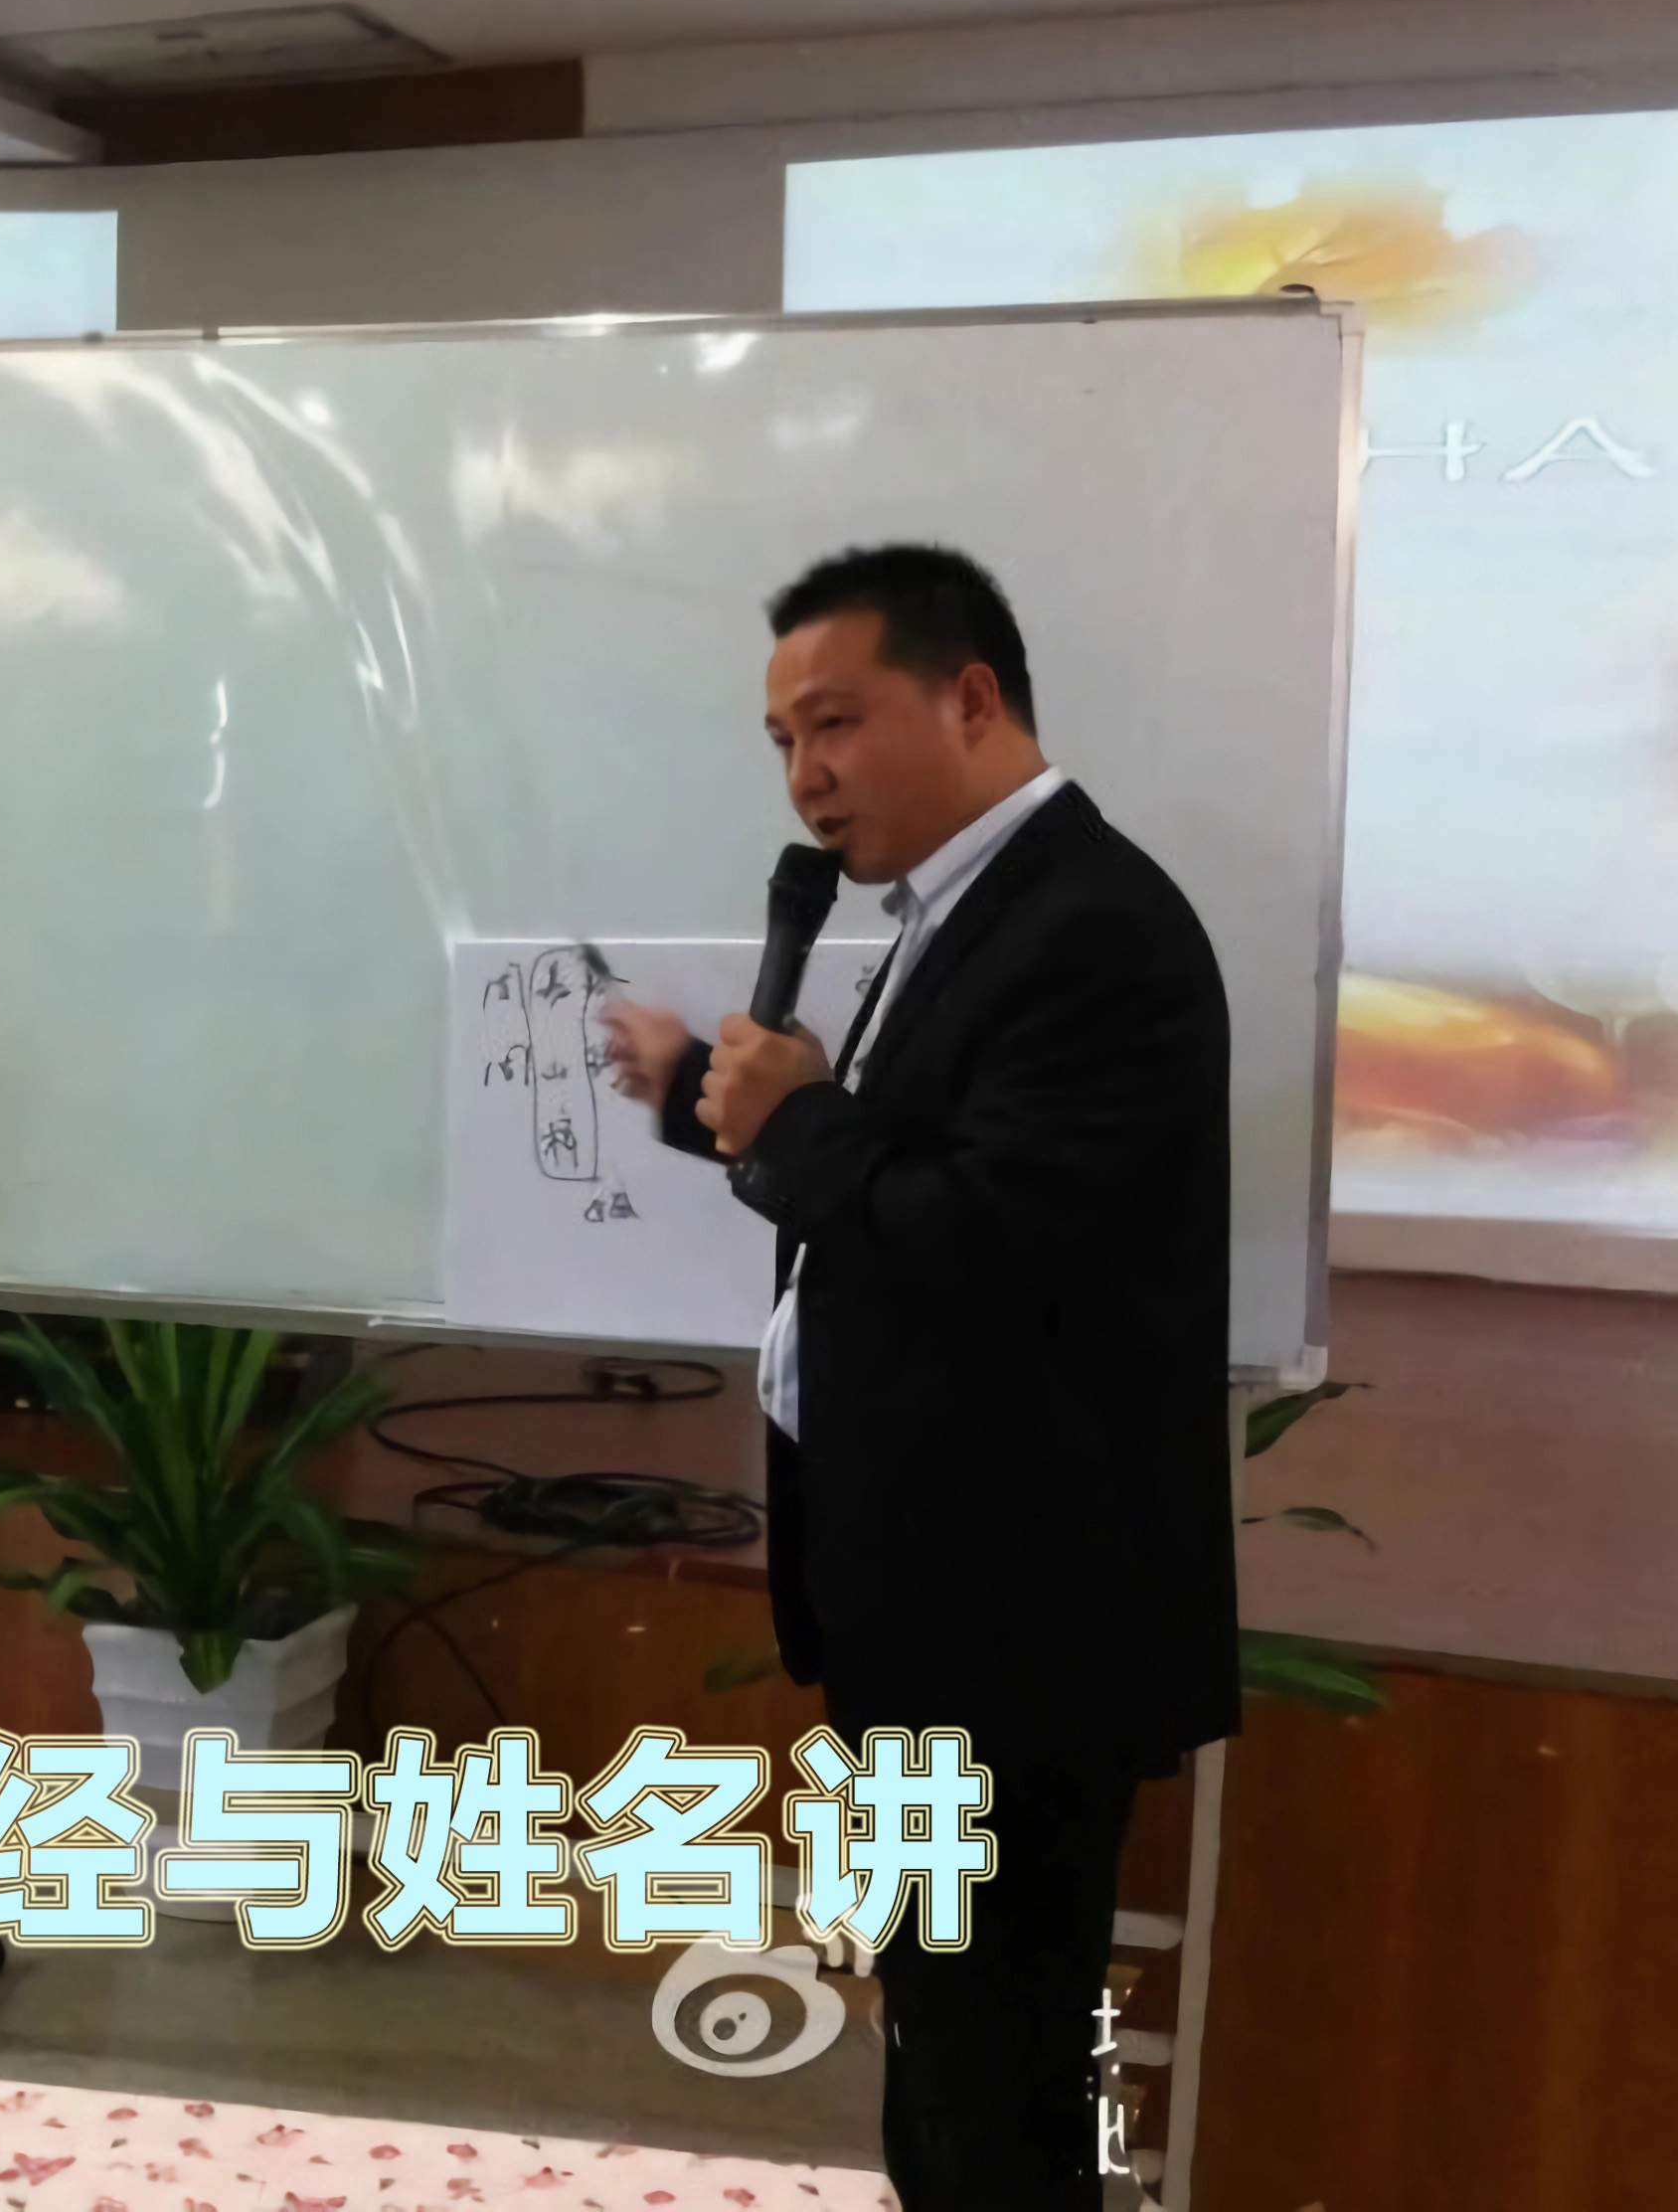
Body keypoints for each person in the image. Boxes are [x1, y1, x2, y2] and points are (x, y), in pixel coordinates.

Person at [599, 543, 1236, 2209]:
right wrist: (713, 1097)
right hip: (931, 1602)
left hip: (1020, 1626)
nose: (805, 777)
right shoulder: (973, 916)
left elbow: (994, 1238)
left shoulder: (1091, 929)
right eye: (781, 742)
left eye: (836, 723)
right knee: (948, 2058)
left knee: (1000, 2084)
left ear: (969, 698)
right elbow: (906, 1175)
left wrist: (799, 1117)